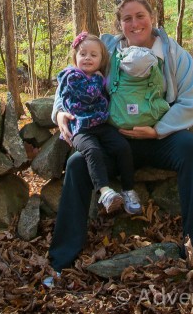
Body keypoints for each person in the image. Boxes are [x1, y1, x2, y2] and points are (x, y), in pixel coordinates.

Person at [45, 0, 193, 287]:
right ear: (119, 23)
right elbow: (72, 75)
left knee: (191, 149)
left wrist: (159, 129)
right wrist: (59, 113)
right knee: (76, 165)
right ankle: (61, 262)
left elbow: (191, 101)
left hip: (158, 137)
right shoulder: (107, 48)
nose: (134, 24)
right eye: (127, 18)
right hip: (113, 138)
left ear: (152, 17)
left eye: (140, 16)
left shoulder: (173, 54)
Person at [56, 32, 142, 215]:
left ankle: (128, 190)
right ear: (75, 57)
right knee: (92, 152)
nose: (87, 58)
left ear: (102, 59)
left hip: (102, 125)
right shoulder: (71, 76)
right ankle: (105, 192)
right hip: (81, 128)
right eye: (83, 54)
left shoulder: (99, 76)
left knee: (122, 147)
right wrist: (97, 78)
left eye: (93, 55)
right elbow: (89, 95)